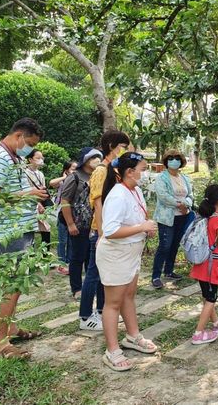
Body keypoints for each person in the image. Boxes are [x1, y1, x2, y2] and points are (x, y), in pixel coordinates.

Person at [0, 118, 47, 359]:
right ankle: (0, 343)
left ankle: (10, 328)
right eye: (29, 143)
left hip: (20, 229)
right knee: (10, 285)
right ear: (18, 136)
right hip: (10, 233)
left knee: (17, 284)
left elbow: (11, 192)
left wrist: (32, 201)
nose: (29, 148)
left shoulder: (14, 157)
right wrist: (27, 194)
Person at [97, 152, 158, 371]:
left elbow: (136, 219)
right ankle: (112, 351)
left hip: (132, 252)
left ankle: (133, 337)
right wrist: (142, 227)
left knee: (128, 296)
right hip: (116, 254)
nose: (146, 173)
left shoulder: (136, 190)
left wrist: (145, 226)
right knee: (113, 303)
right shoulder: (117, 195)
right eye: (143, 169)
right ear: (129, 172)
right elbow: (110, 230)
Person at [85, 130, 131, 327]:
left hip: (110, 231)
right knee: (94, 274)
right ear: (112, 146)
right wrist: (103, 233)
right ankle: (85, 316)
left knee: (107, 276)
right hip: (101, 232)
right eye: (123, 147)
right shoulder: (101, 171)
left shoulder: (113, 170)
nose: (125, 151)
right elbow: (97, 203)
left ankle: (102, 311)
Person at [189, 184, 218, 344]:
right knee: (211, 299)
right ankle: (198, 333)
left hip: (201, 263)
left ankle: (217, 324)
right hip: (210, 266)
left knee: (207, 297)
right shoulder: (217, 220)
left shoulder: (203, 216)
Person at [60, 147, 103, 306]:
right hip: (78, 224)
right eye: (93, 157)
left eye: (99, 157)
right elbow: (64, 202)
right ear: (85, 160)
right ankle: (76, 288)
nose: (97, 160)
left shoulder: (98, 176)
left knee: (90, 258)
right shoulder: (74, 177)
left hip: (93, 224)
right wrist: (70, 224)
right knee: (77, 257)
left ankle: (88, 288)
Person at [151, 149, 194, 288]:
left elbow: (191, 195)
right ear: (166, 161)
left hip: (183, 216)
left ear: (181, 161)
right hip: (167, 217)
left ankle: (169, 271)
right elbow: (163, 196)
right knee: (165, 245)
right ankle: (155, 276)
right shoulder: (161, 178)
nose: (174, 161)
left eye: (177, 158)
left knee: (175, 245)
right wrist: (179, 204)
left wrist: (186, 205)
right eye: (170, 158)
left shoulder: (185, 178)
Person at [51, 160, 77, 275]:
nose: (75, 171)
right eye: (73, 168)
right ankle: (61, 263)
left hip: (74, 214)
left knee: (71, 241)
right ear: (66, 170)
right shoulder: (63, 182)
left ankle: (70, 263)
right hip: (62, 214)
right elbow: (51, 183)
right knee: (62, 240)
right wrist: (64, 177)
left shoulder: (78, 181)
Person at [24, 149, 51, 247]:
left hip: (41, 205)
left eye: (41, 158)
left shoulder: (40, 174)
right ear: (30, 159)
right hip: (31, 205)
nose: (40, 160)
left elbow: (43, 189)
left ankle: (45, 254)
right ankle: (31, 253)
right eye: (38, 158)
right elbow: (27, 190)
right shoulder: (25, 173)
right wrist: (38, 204)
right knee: (30, 229)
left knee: (46, 229)